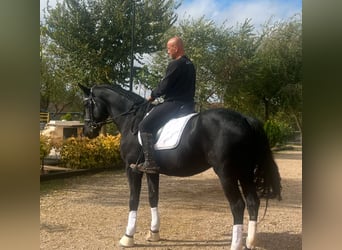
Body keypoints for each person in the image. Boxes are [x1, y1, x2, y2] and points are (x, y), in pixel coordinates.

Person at [131, 36, 196, 173]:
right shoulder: (190, 65)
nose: (168, 52)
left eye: (168, 48)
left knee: (144, 125)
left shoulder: (175, 64)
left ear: (176, 48)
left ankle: (150, 162)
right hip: (189, 106)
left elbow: (164, 85)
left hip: (174, 104)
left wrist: (152, 96)